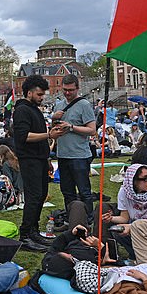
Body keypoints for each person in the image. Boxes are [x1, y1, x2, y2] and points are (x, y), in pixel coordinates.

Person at [13, 74, 65, 251]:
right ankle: (26, 234)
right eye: (39, 94)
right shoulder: (22, 110)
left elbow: (39, 135)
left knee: (41, 194)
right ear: (29, 93)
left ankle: (33, 231)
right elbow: (23, 136)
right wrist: (49, 135)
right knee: (33, 197)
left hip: (40, 158)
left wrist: (47, 157)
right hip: (29, 159)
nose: (42, 98)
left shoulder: (34, 109)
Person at [95, 164, 147, 260]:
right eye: (145, 179)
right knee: (117, 231)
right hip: (136, 229)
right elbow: (124, 218)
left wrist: (131, 227)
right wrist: (111, 218)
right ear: (133, 181)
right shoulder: (124, 192)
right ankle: (134, 255)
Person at [51, 74, 97, 223]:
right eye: (65, 90)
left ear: (77, 88)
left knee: (84, 191)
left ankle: (88, 218)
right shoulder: (58, 106)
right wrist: (54, 120)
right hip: (63, 154)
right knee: (67, 191)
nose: (67, 93)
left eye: (71, 90)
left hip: (79, 155)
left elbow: (92, 130)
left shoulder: (84, 105)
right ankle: (72, 218)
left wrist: (71, 127)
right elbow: (54, 129)